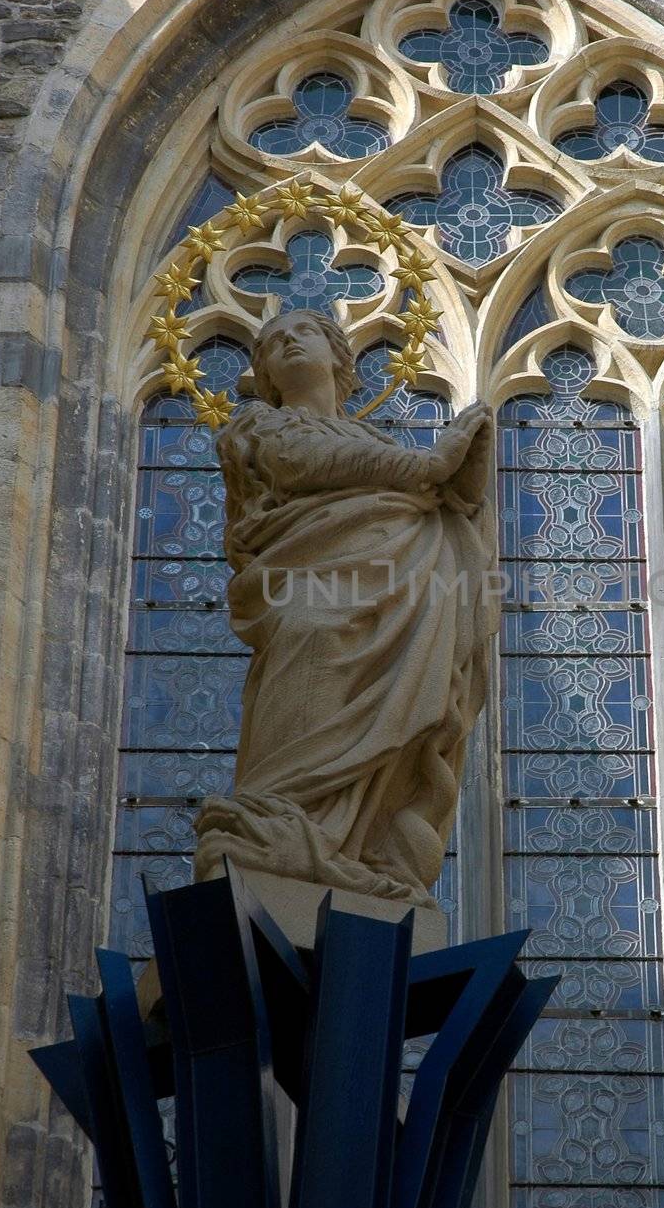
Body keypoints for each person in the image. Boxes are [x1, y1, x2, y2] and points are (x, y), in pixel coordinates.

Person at [194, 307, 496, 910]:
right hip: (309, 578)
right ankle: (279, 820)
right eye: (273, 343)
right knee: (312, 640)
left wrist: (469, 463)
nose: (287, 344)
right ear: (267, 376)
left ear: (338, 355)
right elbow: (300, 460)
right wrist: (429, 466)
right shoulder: (256, 425)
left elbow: (452, 504)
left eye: (302, 333)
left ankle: (356, 849)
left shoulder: (376, 443)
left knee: (406, 721)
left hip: (405, 593)